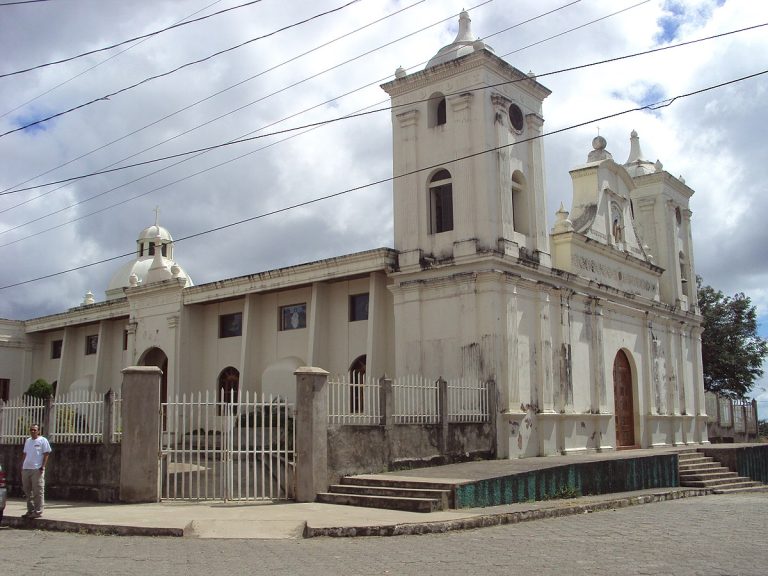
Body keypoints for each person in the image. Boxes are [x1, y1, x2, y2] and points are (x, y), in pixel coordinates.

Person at [21, 424, 52, 519]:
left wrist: (42, 466)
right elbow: (25, 454)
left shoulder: (43, 440)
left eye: (34, 430)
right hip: (26, 468)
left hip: (37, 469)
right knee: (27, 491)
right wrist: (22, 466)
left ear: (38, 431)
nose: (32, 431)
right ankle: (30, 510)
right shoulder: (28, 441)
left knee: (38, 491)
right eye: (31, 430)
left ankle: (38, 511)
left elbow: (46, 453)